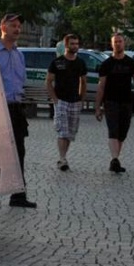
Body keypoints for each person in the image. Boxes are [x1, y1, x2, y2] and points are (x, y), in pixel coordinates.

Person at [0, 13, 37, 208]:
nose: (17, 29)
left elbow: (20, 83)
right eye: (13, 25)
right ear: (3, 26)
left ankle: (18, 194)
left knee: (19, 151)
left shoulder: (19, 54)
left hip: (16, 108)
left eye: (19, 26)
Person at [95, 33, 134, 174]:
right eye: (115, 42)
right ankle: (115, 159)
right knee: (113, 130)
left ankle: (115, 160)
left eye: (120, 41)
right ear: (112, 44)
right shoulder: (106, 64)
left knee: (122, 132)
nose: (118, 44)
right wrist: (97, 106)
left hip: (126, 101)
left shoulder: (130, 62)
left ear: (124, 43)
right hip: (110, 101)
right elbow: (101, 86)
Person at [45, 34, 88, 172]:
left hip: (75, 101)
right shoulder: (57, 62)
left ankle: (64, 156)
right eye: (72, 44)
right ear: (66, 45)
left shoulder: (80, 63)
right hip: (61, 100)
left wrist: (81, 98)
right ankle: (62, 158)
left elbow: (83, 81)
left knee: (70, 132)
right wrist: (55, 99)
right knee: (62, 131)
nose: (75, 46)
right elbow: (48, 81)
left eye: (77, 43)